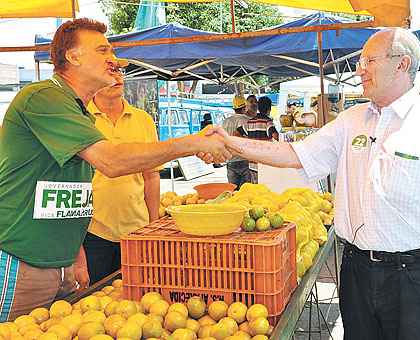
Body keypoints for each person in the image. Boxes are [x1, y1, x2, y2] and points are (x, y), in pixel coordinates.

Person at [202, 28, 420, 339]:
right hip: (356, 269)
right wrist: (232, 144)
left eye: (369, 60)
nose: (359, 68)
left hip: (414, 278)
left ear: (402, 64)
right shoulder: (352, 119)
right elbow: (295, 154)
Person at [0, 18, 231, 320]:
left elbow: (72, 191)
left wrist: (75, 254)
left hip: (62, 263)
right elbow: (112, 162)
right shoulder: (44, 97)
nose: (114, 60)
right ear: (73, 56)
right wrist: (190, 143)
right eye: (102, 51)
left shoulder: (78, 111)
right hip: (22, 260)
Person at [84, 70, 161, 285]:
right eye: (108, 72)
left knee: (139, 294)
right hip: (93, 232)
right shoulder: (82, 120)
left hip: (136, 229)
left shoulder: (143, 120)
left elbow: (152, 176)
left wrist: (152, 226)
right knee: (95, 300)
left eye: (118, 71)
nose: (116, 77)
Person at [236, 96, 279, 183]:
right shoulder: (268, 122)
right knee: (264, 190)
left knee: (255, 189)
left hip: (252, 163)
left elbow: (236, 133)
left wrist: (247, 143)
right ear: (269, 109)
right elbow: (275, 136)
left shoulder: (250, 121)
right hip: (264, 164)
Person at [221, 95, 252, 189]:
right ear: (245, 107)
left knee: (232, 190)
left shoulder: (226, 121)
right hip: (244, 160)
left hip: (230, 160)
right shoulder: (247, 120)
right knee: (245, 191)